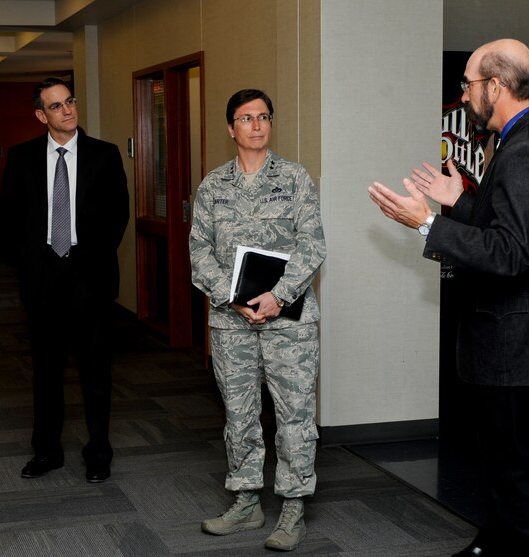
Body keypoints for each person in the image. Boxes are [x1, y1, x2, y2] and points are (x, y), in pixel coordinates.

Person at [369, 38, 529, 556]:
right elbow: (509, 228)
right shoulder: (521, 140)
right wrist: (463, 201)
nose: (463, 95)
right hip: (513, 346)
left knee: (520, 476)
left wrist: (425, 223)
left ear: (496, 86)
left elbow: (510, 253)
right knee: (510, 474)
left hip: (522, 349)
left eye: (467, 84)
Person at [189, 89, 326, 552]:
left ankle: (292, 507)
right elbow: (198, 253)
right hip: (231, 324)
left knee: (294, 417)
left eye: (263, 116)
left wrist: (278, 295)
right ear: (231, 128)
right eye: (246, 118)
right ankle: (247, 501)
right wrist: (233, 297)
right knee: (240, 415)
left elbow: (312, 246)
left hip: (289, 323)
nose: (256, 125)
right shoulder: (213, 187)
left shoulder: (295, 179)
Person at [0, 77, 129, 483]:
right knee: (45, 373)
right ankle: (47, 451)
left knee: (95, 373)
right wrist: (30, 263)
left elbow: (117, 215)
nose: (68, 110)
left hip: (89, 278)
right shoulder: (20, 158)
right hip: (42, 281)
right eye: (56, 106)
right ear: (41, 115)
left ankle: (98, 452)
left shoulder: (104, 155)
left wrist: (87, 262)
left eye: (69, 101)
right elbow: (10, 220)